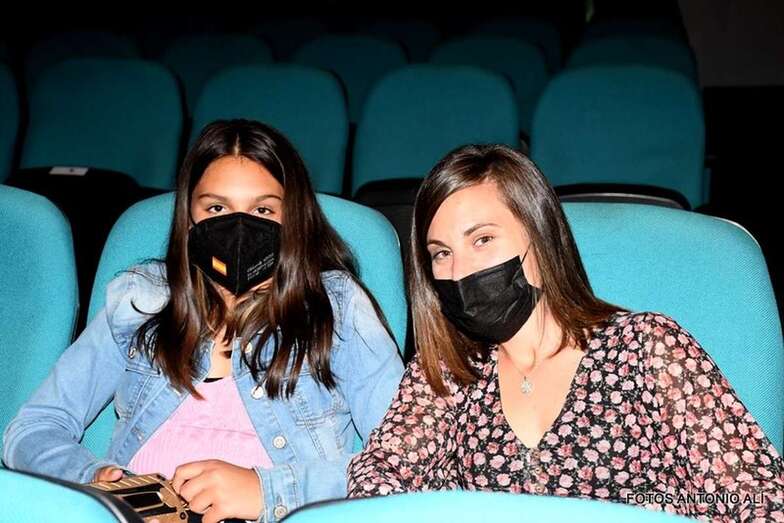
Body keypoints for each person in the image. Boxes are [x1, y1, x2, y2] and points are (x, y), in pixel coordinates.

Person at [347, 144, 784, 521]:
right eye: (441, 253)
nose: (459, 271)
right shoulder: (446, 372)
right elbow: (380, 479)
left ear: (539, 236)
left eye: (483, 240)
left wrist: (653, 509)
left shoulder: (646, 347)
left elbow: (757, 497)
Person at [4, 119, 404, 523]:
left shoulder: (336, 307)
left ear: (294, 219)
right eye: (216, 208)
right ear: (189, 217)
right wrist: (93, 479)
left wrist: (266, 491)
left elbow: (404, 459)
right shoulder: (143, 300)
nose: (239, 228)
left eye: (263, 210)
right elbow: (33, 428)